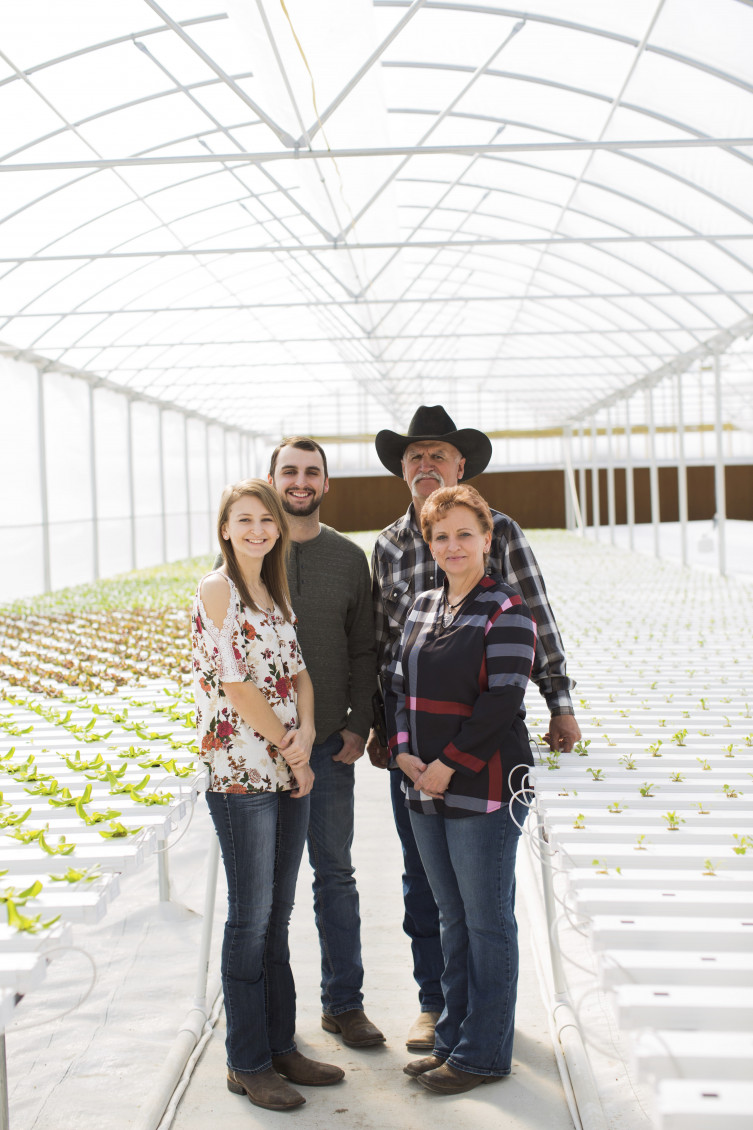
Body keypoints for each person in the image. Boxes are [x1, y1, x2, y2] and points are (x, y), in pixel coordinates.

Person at [369, 404, 580, 1052]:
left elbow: (531, 622)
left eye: (438, 454)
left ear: (461, 467)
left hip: (475, 754)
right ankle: (439, 1008)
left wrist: (559, 700)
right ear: (402, 470)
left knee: (480, 903)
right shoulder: (389, 545)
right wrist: (388, 733)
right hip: (413, 750)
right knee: (424, 884)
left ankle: (482, 1037)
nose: (425, 464)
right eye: (414, 456)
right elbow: (383, 646)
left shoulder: (501, 535)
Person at [193, 479, 344, 1112]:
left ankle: (281, 1046)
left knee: (278, 915)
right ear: (225, 528)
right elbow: (236, 689)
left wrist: (307, 734)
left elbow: (300, 673)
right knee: (250, 917)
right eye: (244, 519)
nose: (258, 528)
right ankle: (246, 1060)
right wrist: (290, 744)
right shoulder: (217, 589)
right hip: (242, 774)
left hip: (288, 765)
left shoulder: (273, 590)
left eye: (267, 520)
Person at [384, 484, 538, 1094]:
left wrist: (446, 763)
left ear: (487, 539)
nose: (453, 545)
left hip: (484, 786)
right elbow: (397, 686)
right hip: (422, 783)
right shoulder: (423, 606)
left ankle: (483, 1054)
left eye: (464, 533)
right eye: (440, 535)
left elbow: (502, 702)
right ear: (429, 542)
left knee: (487, 920)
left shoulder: (508, 610)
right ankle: (452, 1037)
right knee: (450, 915)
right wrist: (402, 750)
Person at [266, 437, 384, 1048]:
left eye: (312, 472)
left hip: (328, 748)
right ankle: (274, 1021)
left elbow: (363, 646)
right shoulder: (248, 551)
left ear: (326, 484)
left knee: (334, 873)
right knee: (271, 887)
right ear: (272, 478)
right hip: (262, 749)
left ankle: (345, 1004)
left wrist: (358, 724)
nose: (301, 481)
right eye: (290, 470)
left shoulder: (347, 557)